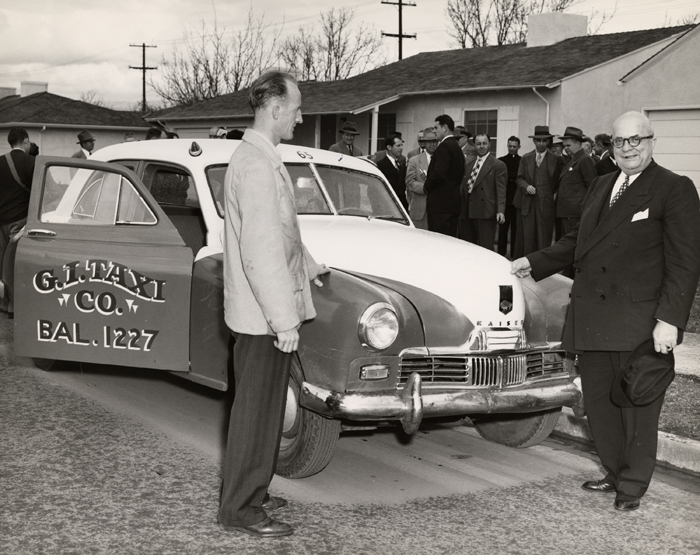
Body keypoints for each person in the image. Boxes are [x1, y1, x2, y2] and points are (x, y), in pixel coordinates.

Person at [511, 111, 700, 512]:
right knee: (599, 403)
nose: (628, 148)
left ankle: (632, 485)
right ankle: (614, 471)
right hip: (593, 316)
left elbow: (685, 262)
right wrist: (533, 261)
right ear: (611, 146)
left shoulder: (674, 188)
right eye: (620, 141)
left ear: (651, 141)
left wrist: (670, 321)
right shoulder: (600, 184)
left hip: (639, 321)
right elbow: (578, 241)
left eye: (637, 140)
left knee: (637, 405)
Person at [217, 71, 328, 538]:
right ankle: (240, 509)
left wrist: (312, 267)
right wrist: (284, 320)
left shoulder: (259, 158)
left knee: (260, 411)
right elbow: (261, 251)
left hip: (259, 311)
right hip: (264, 316)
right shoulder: (258, 166)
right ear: (275, 108)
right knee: (256, 413)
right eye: (297, 107)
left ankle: (252, 491)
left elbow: (282, 236)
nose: (302, 117)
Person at [514, 125, 564, 257]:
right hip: (528, 204)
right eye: (538, 140)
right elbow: (519, 178)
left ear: (548, 141)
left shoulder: (557, 159)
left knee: (544, 237)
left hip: (546, 204)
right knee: (528, 237)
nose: (541, 144)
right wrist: (526, 186)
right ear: (534, 141)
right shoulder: (526, 158)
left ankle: (543, 267)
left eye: (544, 141)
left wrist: (551, 195)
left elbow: (560, 182)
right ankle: (527, 266)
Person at [0, 128, 35, 312]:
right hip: (20, 220)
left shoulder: (0, 162)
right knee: (14, 263)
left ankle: (4, 304)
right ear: (26, 141)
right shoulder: (31, 162)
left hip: (1, 221)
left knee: (2, 263)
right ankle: (14, 307)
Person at [460, 133, 506, 250]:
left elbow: (501, 190)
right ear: (474, 145)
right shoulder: (469, 165)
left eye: (484, 143)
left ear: (489, 144)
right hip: (468, 212)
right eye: (478, 144)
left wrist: (500, 211)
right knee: (469, 247)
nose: (481, 146)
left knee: (486, 248)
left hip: (486, 212)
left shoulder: (498, 165)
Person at [556, 126, 598, 249]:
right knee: (566, 243)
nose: (565, 149)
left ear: (578, 144)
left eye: (568, 146)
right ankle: (568, 268)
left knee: (573, 244)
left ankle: (572, 268)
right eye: (564, 146)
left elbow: (592, 187)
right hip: (567, 212)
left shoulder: (585, 160)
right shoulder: (572, 160)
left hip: (575, 213)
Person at [423, 115, 464, 238]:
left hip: (440, 206)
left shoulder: (444, 146)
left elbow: (439, 173)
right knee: (449, 240)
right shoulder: (457, 147)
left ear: (445, 128)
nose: (434, 130)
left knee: (438, 242)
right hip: (452, 204)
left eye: (436, 127)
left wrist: (427, 186)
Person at [405, 128, 437, 229]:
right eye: (429, 141)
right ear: (424, 142)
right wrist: (426, 187)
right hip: (420, 210)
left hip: (438, 210)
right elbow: (410, 183)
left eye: (434, 141)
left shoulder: (444, 160)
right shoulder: (414, 161)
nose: (432, 144)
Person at [497, 136, 521, 257]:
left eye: (514, 146)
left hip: (517, 200)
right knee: (503, 229)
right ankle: (501, 254)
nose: (512, 149)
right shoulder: (501, 161)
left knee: (516, 230)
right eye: (510, 146)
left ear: (519, 147)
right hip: (505, 200)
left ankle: (514, 254)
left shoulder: (522, 161)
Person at [376, 134, 407, 209]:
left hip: (402, 208)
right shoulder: (380, 165)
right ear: (389, 147)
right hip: (387, 208)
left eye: (401, 145)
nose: (401, 148)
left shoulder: (402, 166)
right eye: (398, 146)